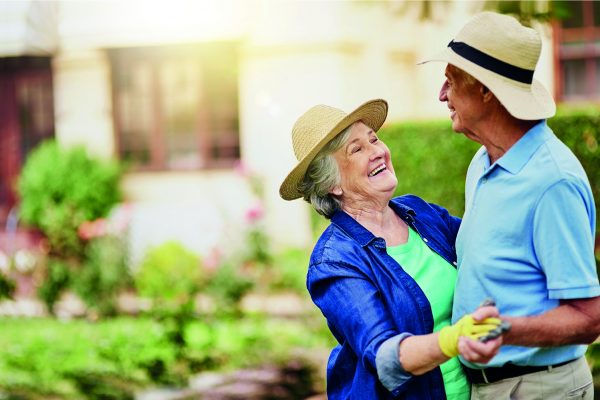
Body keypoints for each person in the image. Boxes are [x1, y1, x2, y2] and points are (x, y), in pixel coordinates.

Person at [420, 11, 600, 399]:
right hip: (490, 387)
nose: (441, 94)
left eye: (450, 81)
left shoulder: (553, 182)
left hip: (541, 388)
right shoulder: (482, 162)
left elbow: (588, 318)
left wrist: (503, 330)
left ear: (486, 90)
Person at [279, 98, 504, 399]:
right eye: (357, 149)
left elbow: (487, 244)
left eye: (374, 139)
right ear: (332, 183)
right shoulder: (334, 262)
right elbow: (384, 356)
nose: (378, 151)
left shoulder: (420, 213)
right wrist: (454, 340)